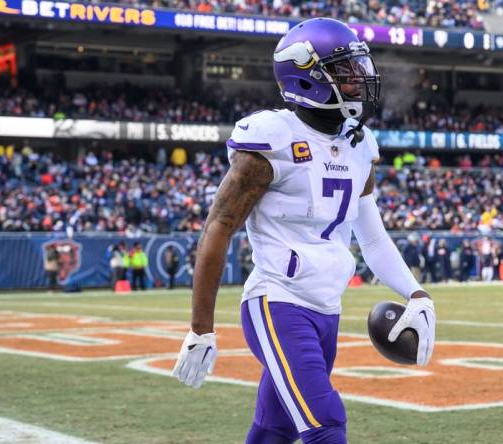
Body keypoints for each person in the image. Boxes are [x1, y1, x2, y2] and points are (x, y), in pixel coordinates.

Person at [171, 18, 436, 444]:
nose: (360, 80)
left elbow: (372, 237)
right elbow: (218, 229)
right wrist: (201, 327)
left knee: (273, 429)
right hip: (278, 302)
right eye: (346, 72)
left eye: (359, 69)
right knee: (325, 420)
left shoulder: (360, 144)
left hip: (327, 309)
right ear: (308, 77)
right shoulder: (272, 139)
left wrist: (417, 293)